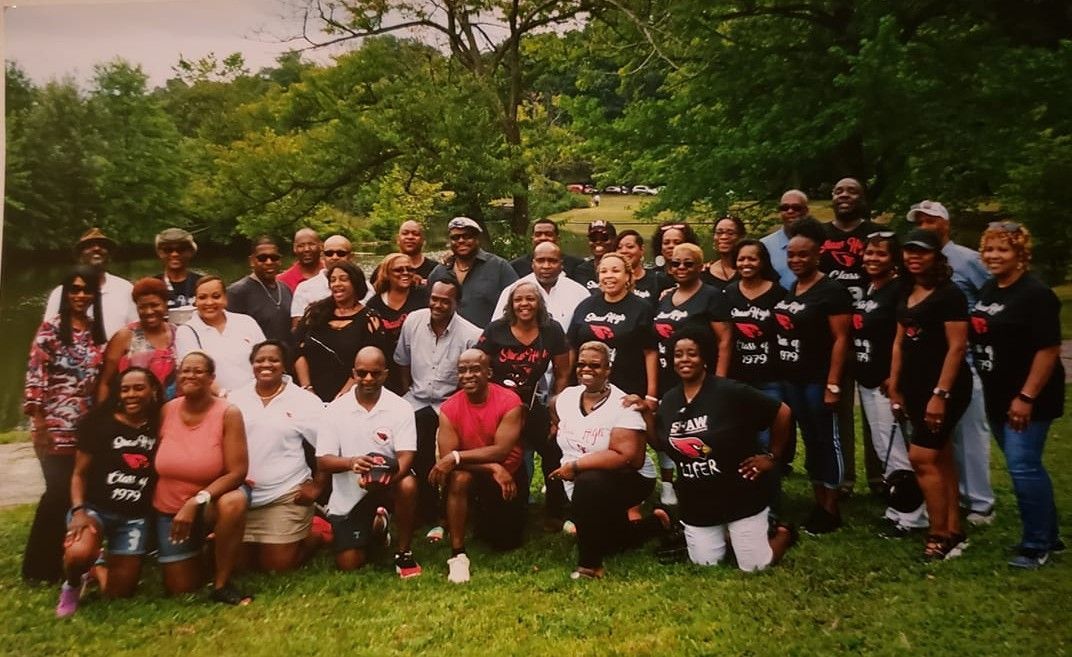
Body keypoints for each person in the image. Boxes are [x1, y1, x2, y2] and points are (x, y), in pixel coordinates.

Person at [656, 329, 796, 571]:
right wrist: (644, 414)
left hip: (739, 494)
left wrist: (772, 456)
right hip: (698, 501)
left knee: (753, 566)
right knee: (706, 563)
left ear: (705, 358)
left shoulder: (729, 391)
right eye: (678, 355)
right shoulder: (669, 400)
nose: (685, 359)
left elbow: (782, 412)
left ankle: (782, 531)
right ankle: (730, 536)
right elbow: (661, 442)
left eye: (692, 354)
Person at [970, 222, 1064, 568]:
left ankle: (1036, 544)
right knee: (1023, 466)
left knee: (1023, 466)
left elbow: (1048, 349)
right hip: (997, 393)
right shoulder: (990, 288)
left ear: (1021, 254)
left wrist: (1026, 397)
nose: (994, 256)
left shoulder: (1035, 294)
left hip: (1028, 397)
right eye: (989, 249)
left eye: (1003, 250)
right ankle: (1050, 537)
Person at [907, 200, 996, 525]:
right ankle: (950, 499)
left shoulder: (969, 259)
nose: (925, 224)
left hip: (964, 360)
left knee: (971, 435)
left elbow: (992, 297)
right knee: (939, 443)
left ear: (945, 223)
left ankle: (981, 503)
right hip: (924, 366)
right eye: (919, 221)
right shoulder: (912, 273)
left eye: (931, 220)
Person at [888, 228, 972, 561]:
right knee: (941, 457)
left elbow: (957, 347)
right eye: (908, 251)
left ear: (937, 256)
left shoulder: (949, 294)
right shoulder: (906, 290)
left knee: (922, 458)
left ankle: (938, 535)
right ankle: (953, 527)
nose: (913, 257)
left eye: (921, 252)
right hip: (913, 386)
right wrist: (895, 385)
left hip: (945, 388)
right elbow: (899, 342)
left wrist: (941, 394)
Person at [548, 341, 663, 579]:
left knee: (590, 483)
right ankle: (655, 524)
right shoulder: (567, 397)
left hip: (630, 478)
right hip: (582, 477)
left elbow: (628, 457)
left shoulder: (624, 404)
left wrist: (576, 466)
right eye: (581, 364)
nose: (586, 370)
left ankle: (590, 566)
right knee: (610, 542)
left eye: (595, 365)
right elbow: (555, 413)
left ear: (608, 369)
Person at [22, 266, 107, 583]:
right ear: (65, 293)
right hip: (54, 427)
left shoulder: (95, 332)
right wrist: (39, 423)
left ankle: (70, 558)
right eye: (75, 289)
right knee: (56, 494)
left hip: (86, 428)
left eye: (87, 290)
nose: (81, 295)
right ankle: (37, 568)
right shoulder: (51, 330)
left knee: (79, 494)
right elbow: (35, 378)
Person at [56, 367, 162, 617]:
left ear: (153, 390)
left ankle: (98, 566)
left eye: (138, 388)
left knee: (119, 593)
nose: (131, 395)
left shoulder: (159, 424)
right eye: (124, 389)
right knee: (78, 553)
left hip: (134, 518)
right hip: (95, 510)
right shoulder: (98, 424)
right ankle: (72, 584)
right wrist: (79, 511)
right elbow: (78, 474)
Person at [773, 218, 852, 534]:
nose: (796, 260)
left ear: (818, 255)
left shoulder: (832, 290)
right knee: (810, 439)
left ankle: (831, 507)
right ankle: (818, 501)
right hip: (794, 377)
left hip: (819, 379)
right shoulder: (794, 287)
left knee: (826, 440)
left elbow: (842, 340)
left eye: (803, 255)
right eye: (791, 255)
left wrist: (833, 383)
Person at [153, 352, 251, 604]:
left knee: (233, 503)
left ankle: (222, 583)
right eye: (185, 370)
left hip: (211, 500)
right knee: (181, 587)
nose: (190, 375)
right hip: (171, 508)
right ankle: (206, 550)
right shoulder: (167, 410)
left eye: (198, 371)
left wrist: (197, 500)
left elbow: (237, 472)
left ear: (211, 378)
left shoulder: (228, 413)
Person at [316, 346, 422, 577]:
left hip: (390, 483)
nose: (368, 379)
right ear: (353, 373)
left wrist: (387, 479)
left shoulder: (401, 407)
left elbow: (406, 456)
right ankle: (377, 526)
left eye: (375, 373)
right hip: (351, 492)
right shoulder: (334, 410)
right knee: (349, 563)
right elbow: (323, 461)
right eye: (362, 373)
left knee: (409, 484)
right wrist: (352, 463)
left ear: (385, 374)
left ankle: (404, 552)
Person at [478, 282, 571, 529]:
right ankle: (487, 504)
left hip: (529, 402)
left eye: (530, 299)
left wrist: (555, 407)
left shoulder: (551, 330)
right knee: (497, 451)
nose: (524, 304)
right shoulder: (496, 329)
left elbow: (563, 372)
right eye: (518, 300)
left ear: (539, 303)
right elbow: (478, 366)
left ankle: (555, 510)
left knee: (552, 449)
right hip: (496, 405)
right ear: (510, 304)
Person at [852, 232, 928, 533]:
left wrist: (895, 378)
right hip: (867, 380)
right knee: (883, 446)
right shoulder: (871, 288)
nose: (872, 259)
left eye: (880, 254)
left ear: (894, 259)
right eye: (869, 253)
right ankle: (899, 507)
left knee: (896, 448)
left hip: (887, 383)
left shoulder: (900, 291)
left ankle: (914, 516)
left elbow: (906, 340)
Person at [429, 350, 526, 583]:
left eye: (475, 369)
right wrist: (492, 467)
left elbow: (502, 450)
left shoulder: (510, 401)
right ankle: (458, 554)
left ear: (489, 373)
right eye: (462, 370)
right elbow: (447, 461)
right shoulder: (449, 408)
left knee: (505, 542)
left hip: (508, 474)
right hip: (475, 472)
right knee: (459, 479)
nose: (468, 375)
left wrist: (460, 458)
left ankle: (479, 515)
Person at [230, 341, 326, 573]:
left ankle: (317, 534)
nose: (266, 364)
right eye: (259, 360)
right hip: (242, 497)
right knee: (240, 566)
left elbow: (327, 444)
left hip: (285, 494)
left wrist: (318, 485)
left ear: (284, 365)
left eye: (273, 360)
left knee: (276, 568)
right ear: (252, 364)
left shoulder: (304, 401)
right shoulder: (235, 398)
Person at [394, 278, 482, 528]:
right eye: (435, 298)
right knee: (416, 454)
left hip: (449, 403)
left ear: (457, 303)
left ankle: (448, 511)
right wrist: (406, 391)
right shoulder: (413, 321)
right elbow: (402, 360)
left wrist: (455, 407)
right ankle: (424, 509)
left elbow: (470, 380)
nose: (438, 305)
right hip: (415, 399)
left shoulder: (471, 334)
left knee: (446, 458)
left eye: (446, 300)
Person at [820, 178, 883, 497]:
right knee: (839, 409)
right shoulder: (821, 235)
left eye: (852, 191)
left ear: (863, 198)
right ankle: (845, 478)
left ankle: (880, 476)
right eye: (838, 190)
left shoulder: (874, 234)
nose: (844, 196)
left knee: (876, 411)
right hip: (833, 336)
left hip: (871, 333)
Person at [714, 240, 788, 487]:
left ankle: (772, 503)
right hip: (738, 378)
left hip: (769, 377)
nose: (746, 264)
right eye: (741, 259)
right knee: (738, 439)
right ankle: (743, 491)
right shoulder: (728, 293)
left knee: (766, 444)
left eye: (752, 259)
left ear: (763, 262)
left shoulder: (778, 293)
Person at [568, 252, 658, 402]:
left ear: (628, 276)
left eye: (615, 271)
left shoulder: (641, 308)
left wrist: (651, 396)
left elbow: (651, 352)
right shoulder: (585, 305)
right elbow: (571, 347)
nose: (609, 275)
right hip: (587, 390)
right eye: (603, 271)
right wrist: (564, 385)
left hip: (627, 392)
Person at [294, 261, 375, 402]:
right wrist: (307, 389)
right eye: (333, 280)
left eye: (343, 279)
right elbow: (296, 350)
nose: (336, 284)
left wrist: (344, 395)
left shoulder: (370, 319)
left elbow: (371, 362)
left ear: (356, 283)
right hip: (309, 393)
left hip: (352, 394)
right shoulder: (315, 312)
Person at [174, 275, 266, 396]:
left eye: (216, 296)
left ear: (225, 298)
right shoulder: (186, 332)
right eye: (202, 297)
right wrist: (224, 395)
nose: (209, 302)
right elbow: (194, 374)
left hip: (256, 398)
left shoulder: (246, 322)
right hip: (215, 403)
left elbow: (264, 358)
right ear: (195, 301)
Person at [43, 227, 136, 339]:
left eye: (102, 245)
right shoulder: (61, 293)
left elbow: (137, 331)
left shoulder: (126, 289)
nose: (97, 248)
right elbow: (46, 335)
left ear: (109, 254)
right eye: (90, 245)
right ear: (80, 256)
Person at [97, 277, 178, 402]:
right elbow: (105, 383)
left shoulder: (177, 333)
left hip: (172, 411)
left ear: (165, 304)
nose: (149, 311)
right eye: (143, 307)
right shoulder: (125, 336)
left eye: (155, 305)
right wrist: (103, 416)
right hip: (134, 412)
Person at [428, 216, 518, 327]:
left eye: (467, 236)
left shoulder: (499, 267)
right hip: (447, 341)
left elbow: (517, 304)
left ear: (477, 239)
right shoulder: (439, 272)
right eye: (455, 237)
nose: (461, 240)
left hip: (488, 340)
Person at [365, 253, 429, 394]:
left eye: (409, 269)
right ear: (387, 273)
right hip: (387, 370)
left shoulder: (424, 296)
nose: (405, 273)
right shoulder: (374, 304)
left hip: (419, 368)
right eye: (399, 270)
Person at [490, 242, 590, 330]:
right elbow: (496, 329)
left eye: (552, 261)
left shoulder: (579, 292)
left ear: (561, 265)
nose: (546, 266)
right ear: (533, 264)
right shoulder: (513, 291)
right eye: (540, 261)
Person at [227, 236, 294, 345]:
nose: (269, 262)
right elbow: (231, 335)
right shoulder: (237, 292)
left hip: (285, 358)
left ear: (280, 261)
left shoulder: (285, 289)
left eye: (274, 257)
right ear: (252, 261)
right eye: (262, 258)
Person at [290, 234, 358, 328]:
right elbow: (297, 327)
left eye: (341, 253)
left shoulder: (365, 287)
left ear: (351, 256)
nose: (335, 257)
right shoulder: (304, 288)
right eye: (329, 253)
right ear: (322, 256)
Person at [761, 190, 811, 290]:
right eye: (784, 208)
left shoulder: (819, 242)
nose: (790, 211)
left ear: (806, 211)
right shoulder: (764, 246)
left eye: (796, 208)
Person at [508, 219, 583, 279]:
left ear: (558, 239)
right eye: (538, 234)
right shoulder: (516, 267)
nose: (543, 238)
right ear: (532, 239)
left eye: (548, 234)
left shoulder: (576, 265)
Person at [615, 229, 673, 306]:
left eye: (630, 247)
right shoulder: (613, 282)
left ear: (642, 249)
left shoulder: (659, 280)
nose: (624, 251)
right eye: (619, 248)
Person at [370, 220, 437, 286]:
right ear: (398, 239)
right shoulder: (385, 268)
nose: (410, 237)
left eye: (415, 234)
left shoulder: (435, 269)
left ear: (423, 240)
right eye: (405, 233)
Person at [154, 227, 203, 310]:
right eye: (168, 250)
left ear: (191, 252)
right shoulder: (152, 285)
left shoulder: (203, 283)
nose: (174, 254)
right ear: (160, 253)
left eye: (181, 249)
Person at [569, 220, 618, 292]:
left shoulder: (623, 269)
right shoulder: (581, 271)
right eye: (593, 239)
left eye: (604, 238)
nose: (598, 242)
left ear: (614, 239)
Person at [702, 215, 746, 289]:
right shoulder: (704, 272)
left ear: (741, 237)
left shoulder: (752, 269)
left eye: (730, 233)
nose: (724, 237)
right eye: (719, 233)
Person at [277, 228, 323, 293]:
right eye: (301, 246)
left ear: (321, 246)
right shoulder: (282, 281)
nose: (307, 249)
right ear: (294, 248)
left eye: (311, 244)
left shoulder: (332, 275)